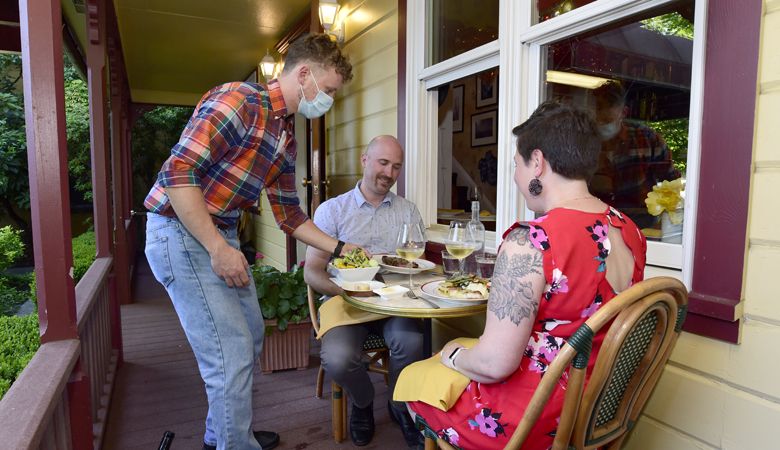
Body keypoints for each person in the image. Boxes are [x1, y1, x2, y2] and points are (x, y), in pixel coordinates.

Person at [143, 33, 359, 450]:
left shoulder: (285, 137)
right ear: (303, 75)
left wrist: (340, 248)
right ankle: (234, 442)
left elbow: (289, 216)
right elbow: (178, 173)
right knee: (231, 355)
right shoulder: (240, 101)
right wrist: (218, 247)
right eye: (329, 90)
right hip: (182, 233)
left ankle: (224, 433)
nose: (329, 99)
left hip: (216, 234)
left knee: (252, 335)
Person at [401, 102, 647, 449]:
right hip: (597, 409)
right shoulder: (629, 230)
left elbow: (494, 365)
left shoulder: (531, 241)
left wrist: (451, 354)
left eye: (516, 165)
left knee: (416, 384)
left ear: (538, 162)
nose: (515, 177)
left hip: (533, 419)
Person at [304, 135, 426, 448]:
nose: (389, 172)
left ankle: (399, 404)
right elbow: (312, 272)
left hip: (394, 302)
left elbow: (415, 263)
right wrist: (347, 292)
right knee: (338, 358)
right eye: (383, 163)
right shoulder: (332, 211)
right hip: (344, 300)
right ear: (365, 160)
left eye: (396, 166)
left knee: (412, 342)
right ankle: (363, 402)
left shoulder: (408, 212)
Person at [590, 81, 680, 228]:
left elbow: (671, 182)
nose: (602, 124)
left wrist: (662, 214)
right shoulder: (585, 140)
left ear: (623, 113)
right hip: (596, 225)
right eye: (598, 120)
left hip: (641, 225)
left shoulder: (648, 139)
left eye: (607, 121)